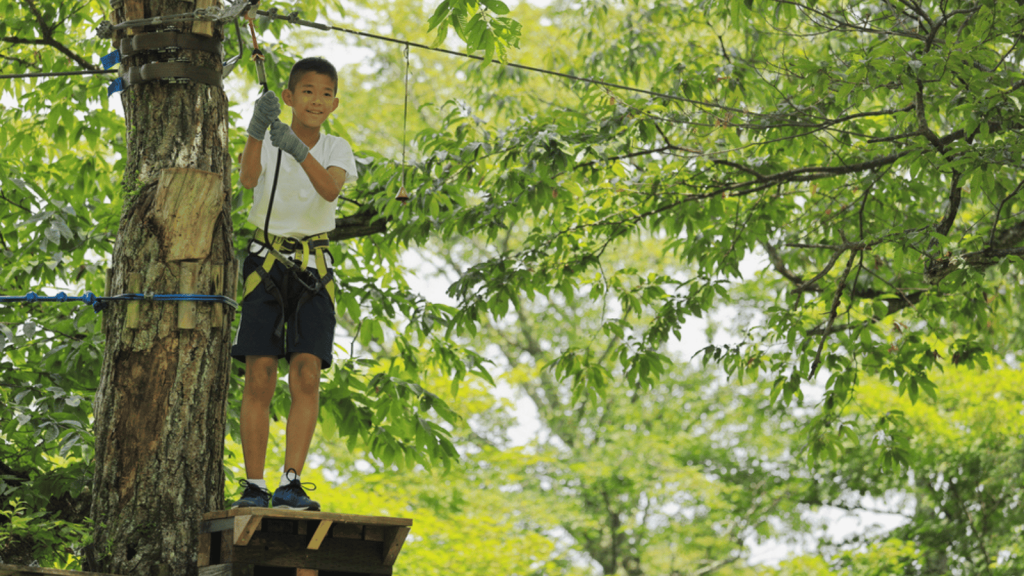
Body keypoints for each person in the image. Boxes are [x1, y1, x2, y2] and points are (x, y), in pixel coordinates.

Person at [229, 57, 358, 511]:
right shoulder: (267, 140)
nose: (316, 101)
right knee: (260, 373)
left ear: (335, 103)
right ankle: (254, 484)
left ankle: (291, 481)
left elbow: (329, 190)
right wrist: (256, 130)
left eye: (325, 94)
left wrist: (299, 151)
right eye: (307, 91)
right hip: (266, 262)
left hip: (313, 265)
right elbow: (247, 179)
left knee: (306, 373)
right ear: (288, 98)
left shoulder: (337, 148)